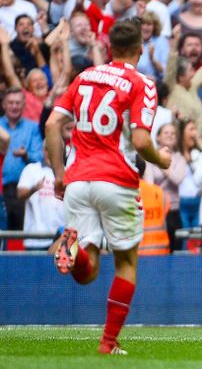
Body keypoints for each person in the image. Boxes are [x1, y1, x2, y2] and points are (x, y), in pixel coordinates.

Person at [45, 20, 172, 355]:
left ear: (111, 46)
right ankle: (108, 343)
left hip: (77, 180)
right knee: (126, 263)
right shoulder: (141, 82)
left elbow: (52, 123)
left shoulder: (84, 76)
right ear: (141, 47)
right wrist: (163, 160)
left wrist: (59, 172)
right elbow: (142, 140)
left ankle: (74, 252)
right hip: (116, 180)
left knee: (87, 271)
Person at [1, 87, 43, 230]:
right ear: (3, 105)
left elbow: (39, 158)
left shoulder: (32, 128)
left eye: (18, 103)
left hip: (24, 190)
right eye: (11, 102)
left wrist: (26, 155)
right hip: (1, 189)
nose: (14, 106)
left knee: (21, 233)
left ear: (24, 105)